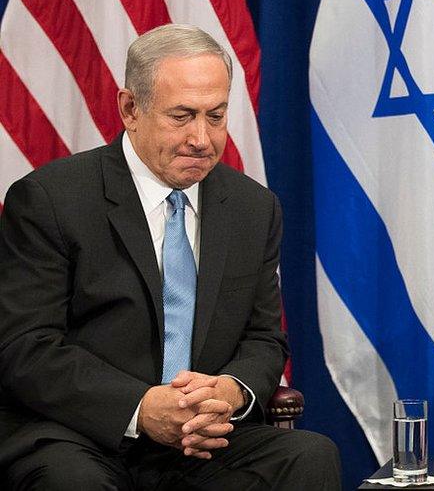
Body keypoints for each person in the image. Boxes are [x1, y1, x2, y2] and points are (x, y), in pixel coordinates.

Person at [0, 24, 340, 489]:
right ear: (130, 109)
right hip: (80, 434)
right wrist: (140, 408)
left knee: (309, 456)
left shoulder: (253, 209)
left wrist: (231, 392)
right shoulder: (51, 200)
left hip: (199, 441)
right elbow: (25, 348)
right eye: (182, 116)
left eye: (216, 116)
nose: (202, 138)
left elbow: (264, 338)